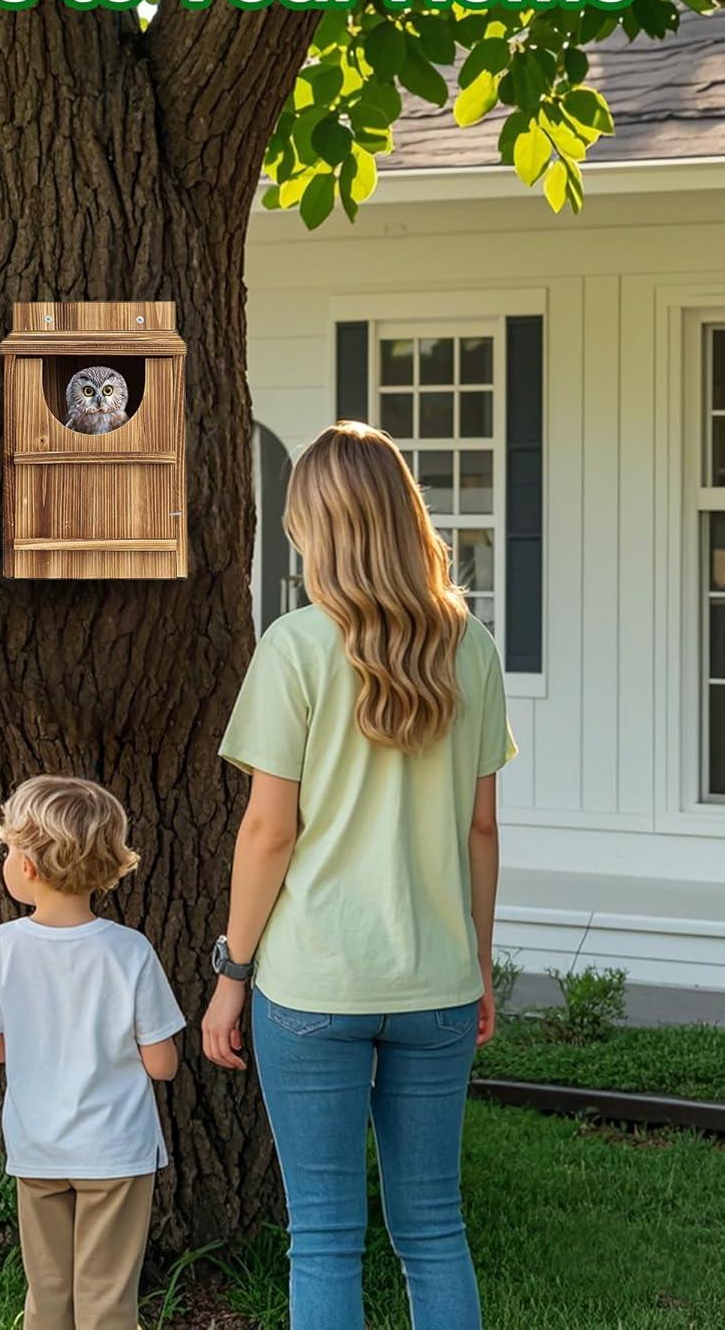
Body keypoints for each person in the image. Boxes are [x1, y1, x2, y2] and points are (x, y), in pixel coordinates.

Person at [203, 420, 516, 1330]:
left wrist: (231, 974)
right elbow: (482, 826)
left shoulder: (296, 646)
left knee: (327, 1238)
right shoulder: (472, 645)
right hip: (437, 983)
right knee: (432, 1229)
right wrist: (479, 964)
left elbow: (268, 830)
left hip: (311, 984)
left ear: (316, 526)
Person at [0, 775, 186, 1330]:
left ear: (30, 868)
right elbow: (163, 1064)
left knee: (47, 1295)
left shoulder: (1, 947)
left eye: (9, 849)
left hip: (38, 1148)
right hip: (115, 1150)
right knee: (107, 1301)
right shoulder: (129, 951)